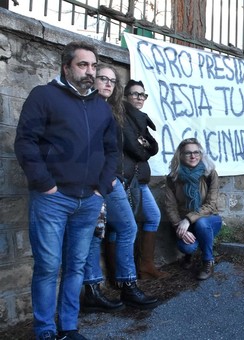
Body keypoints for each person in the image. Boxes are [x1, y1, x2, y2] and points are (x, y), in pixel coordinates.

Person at [14, 41, 118, 340]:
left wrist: (101, 187)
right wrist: (45, 184)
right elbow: (25, 143)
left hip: (88, 201)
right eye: (82, 65)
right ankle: (45, 331)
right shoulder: (43, 96)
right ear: (66, 67)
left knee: (75, 267)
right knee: (48, 266)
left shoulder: (101, 106)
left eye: (93, 66)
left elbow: (112, 150)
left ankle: (68, 328)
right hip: (53, 200)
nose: (90, 71)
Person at [82, 65, 158, 312]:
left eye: (112, 81)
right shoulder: (84, 106)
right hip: (96, 181)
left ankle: (120, 286)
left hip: (109, 179)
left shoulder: (111, 110)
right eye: (102, 78)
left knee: (113, 229)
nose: (107, 84)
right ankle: (106, 288)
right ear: (92, 80)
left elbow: (126, 147)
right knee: (115, 230)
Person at [122, 79, 167, 279]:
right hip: (128, 179)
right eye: (135, 94)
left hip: (140, 180)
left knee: (153, 216)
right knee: (124, 225)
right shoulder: (122, 117)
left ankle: (146, 265)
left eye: (142, 95)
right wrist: (143, 146)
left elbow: (154, 146)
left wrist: (144, 145)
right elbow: (136, 149)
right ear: (125, 96)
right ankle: (122, 274)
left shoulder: (141, 119)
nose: (139, 98)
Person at [164, 138, 223, 280]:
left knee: (202, 224)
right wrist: (179, 225)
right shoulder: (173, 178)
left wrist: (188, 219)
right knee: (187, 247)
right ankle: (189, 255)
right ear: (180, 155)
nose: (193, 156)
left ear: (201, 154)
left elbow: (210, 205)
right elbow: (170, 206)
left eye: (196, 152)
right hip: (185, 223)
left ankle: (208, 261)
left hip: (209, 219)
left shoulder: (210, 174)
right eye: (188, 153)